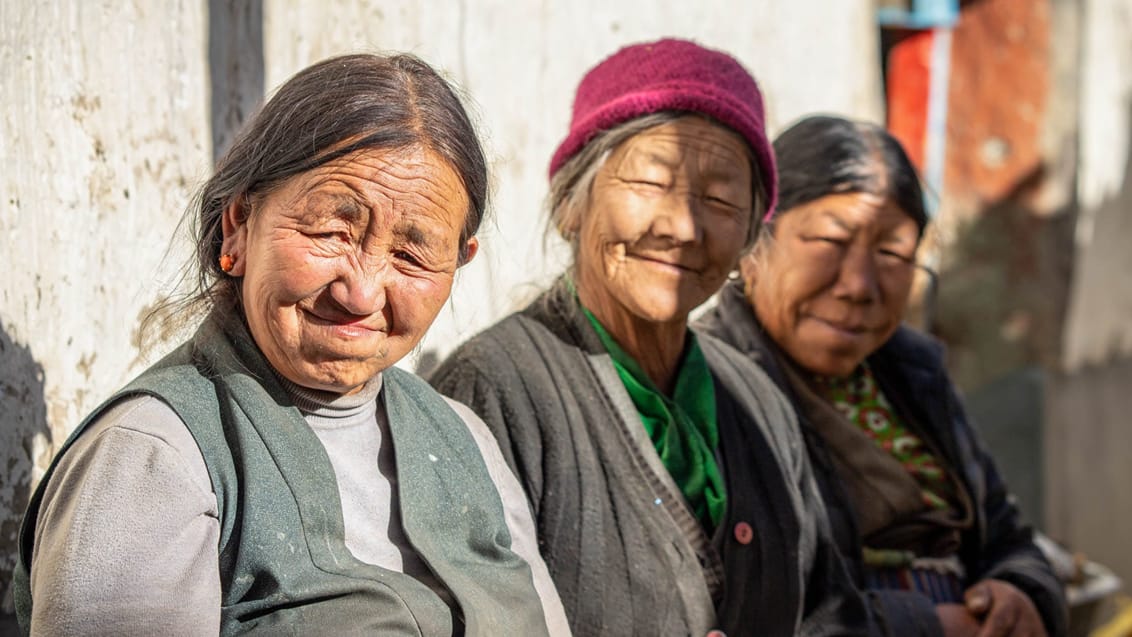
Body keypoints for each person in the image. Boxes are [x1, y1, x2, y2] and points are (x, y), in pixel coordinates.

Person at [13, 53, 570, 637]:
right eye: (332, 232)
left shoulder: (464, 439)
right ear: (239, 225)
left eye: (411, 255)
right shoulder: (154, 458)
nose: (361, 290)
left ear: (459, 261)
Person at [429, 39, 868, 636]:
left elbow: (832, 612)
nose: (683, 228)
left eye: (718, 199)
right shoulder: (490, 390)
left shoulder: (757, 399)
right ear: (571, 206)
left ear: (747, 234)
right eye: (651, 182)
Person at [695, 114, 1068, 637]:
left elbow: (1006, 532)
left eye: (893, 253)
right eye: (829, 240)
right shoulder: (708, 388)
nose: (859, 285)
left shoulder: (914, 374)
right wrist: (928, 626)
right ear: (756, 240)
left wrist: (1020, 590)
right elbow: (753, 603)